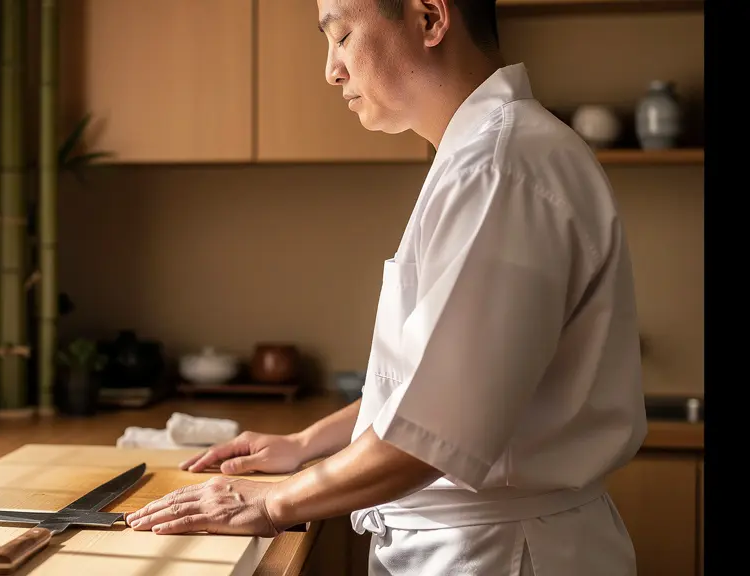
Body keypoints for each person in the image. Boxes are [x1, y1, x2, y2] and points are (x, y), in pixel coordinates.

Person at [125, 0, 648, 573]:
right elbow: (435, 384)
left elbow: (432, 433)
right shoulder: (484, 155)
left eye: (342, 35)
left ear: (429, 18)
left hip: (501, 553)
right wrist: (308, 443)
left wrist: (271, 502)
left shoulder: (499, 168)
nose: (331, 69)